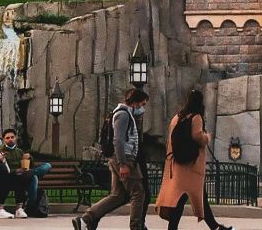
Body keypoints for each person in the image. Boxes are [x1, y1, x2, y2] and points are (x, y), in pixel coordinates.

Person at [155, 88, 232, 230]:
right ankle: (211, 227)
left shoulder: (177, 117)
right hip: (191, 166)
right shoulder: (196, 117)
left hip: (177, 164)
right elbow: (197, 136)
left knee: (197, 197)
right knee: (184, 198)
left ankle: (215, 227)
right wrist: (207, 137)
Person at [75, 88, 150, 230]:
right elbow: (118, 140)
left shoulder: (124, 114)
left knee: (118, 196)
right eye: (142, 104)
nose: (142, 108)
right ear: (134, 102)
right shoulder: (123, 115)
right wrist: (123, 163)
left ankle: (86, 219)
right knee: (138, 193)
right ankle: (136, 227)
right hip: (124, 158)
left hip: (120, 158)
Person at [0, 128, 48, 217]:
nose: (10, 139)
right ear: (4, 140)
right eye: (7, 138)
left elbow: (29, 165)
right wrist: (17, 170)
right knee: (33, 178)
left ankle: (33, 173)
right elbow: (4, 169)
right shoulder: (1, 151)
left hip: (25, 175)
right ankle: (28, 208)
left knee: (47, 166)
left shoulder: (20, 151)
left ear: (16, 138)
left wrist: (30, 158)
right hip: (13, 177)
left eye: (12, 137)